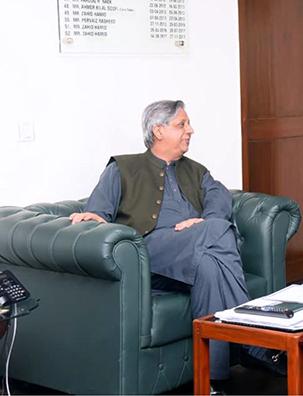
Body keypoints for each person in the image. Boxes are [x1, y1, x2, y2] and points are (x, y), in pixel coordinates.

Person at [70, 100, 280, 390]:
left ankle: (212, 379)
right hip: (149, 253)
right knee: (219, 230)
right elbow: (99, 213)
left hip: (194, 252)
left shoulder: (195, 170)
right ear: (158, 130)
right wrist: (93, 218)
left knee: (209, 265)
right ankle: (255, 343)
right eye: (182, 124)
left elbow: (219, 196)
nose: (190, 130)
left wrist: (205, 220)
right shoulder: (122, 167)